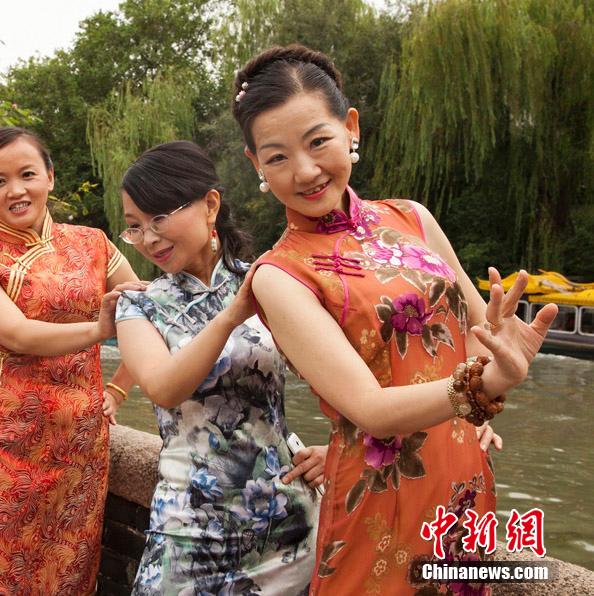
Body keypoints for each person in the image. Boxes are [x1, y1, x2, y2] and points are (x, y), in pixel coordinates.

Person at [231, 44, 554, 594]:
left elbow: (481, 342)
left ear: (350, 127)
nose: (305, 171)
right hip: (379, 498)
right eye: (277, 156)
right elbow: (372, 411)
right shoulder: (279, 275)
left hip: (462, 486)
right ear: (255, 164)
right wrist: (480, 390)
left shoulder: (414, 220)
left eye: (318, 142)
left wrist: (499, 358)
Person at [114, 140, 326, 595]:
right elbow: (163, 388)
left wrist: (346, 446)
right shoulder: (138, 304)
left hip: (283, 524)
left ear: (210, 204)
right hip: (188, 527)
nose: (148, 237)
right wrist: (231, 314)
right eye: (134, 226)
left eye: (158, 217)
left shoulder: (271, 280)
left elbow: (346, 373)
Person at [0, 126, 141, 595]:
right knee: (3, 571)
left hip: (82, 438)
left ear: (50, 177)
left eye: (27, 174)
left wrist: (118, 388)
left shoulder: (94, 243)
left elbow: (144, 311)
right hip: (9, 440)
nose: (16, 190)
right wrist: (99, 330)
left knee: (72, 567)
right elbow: (17, 334)